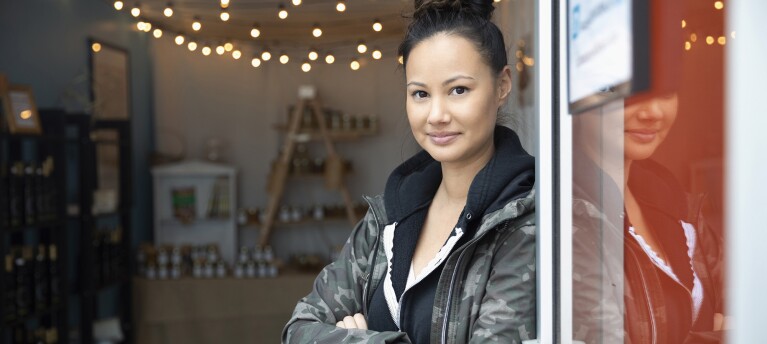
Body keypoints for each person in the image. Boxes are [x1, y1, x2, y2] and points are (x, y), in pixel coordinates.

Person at [282, 0, 537, 343]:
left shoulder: (524, 222)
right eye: (420, 94)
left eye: (458, 90)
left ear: (502, 86)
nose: (436, 114)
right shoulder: (388, 216)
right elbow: (299, 328)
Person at [571, 92, 727, 343]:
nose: (653, 112)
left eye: (666, 92)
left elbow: (753, 306)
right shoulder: (562, 220)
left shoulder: (677, 207)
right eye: (630, 91)